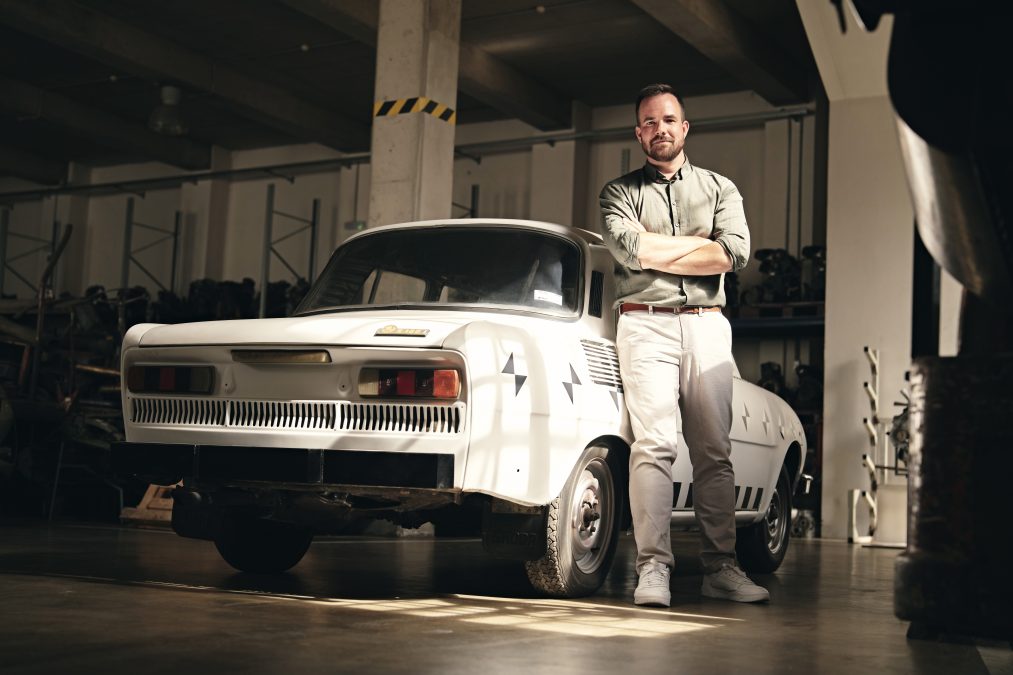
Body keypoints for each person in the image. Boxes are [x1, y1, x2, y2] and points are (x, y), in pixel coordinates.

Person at [599, 84, 768, 607]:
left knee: (714, 452)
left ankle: (721, 568)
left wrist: (659, 254)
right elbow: (628, 248)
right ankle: (653, 570)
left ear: (685, 127)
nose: (660, 129)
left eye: (669, 119)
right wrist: (699, 249)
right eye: (649, 122)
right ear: (638, 132)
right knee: (653, 447)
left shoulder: (721, 188)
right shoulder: (618, 193)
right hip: (644, 325)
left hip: (706, 325)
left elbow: (734, 255)